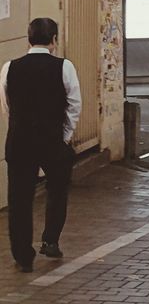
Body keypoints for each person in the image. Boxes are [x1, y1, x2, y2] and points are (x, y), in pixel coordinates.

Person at [1, 17, 81, 271]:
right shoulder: (64, 66)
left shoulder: (9, 67)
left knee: (19, 199)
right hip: (52, 140)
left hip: (20, 140)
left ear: (28, 38)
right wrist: (65, 135)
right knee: (57, 191)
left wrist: (16, 128)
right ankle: (50, 240)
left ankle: (23, 255)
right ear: (54, 40)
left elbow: (7, 106)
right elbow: (74, 105)